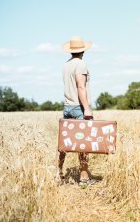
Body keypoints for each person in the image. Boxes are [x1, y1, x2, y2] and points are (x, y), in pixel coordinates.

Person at [58, 36, 94, 185]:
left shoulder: (66, 65)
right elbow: (81, 87)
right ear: (83, 50)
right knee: (83, 142)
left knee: (64, 142)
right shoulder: (81, 64)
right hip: (78, 107)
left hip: (67, 107)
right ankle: (84, 177)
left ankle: (58, 173)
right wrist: (87, 109)